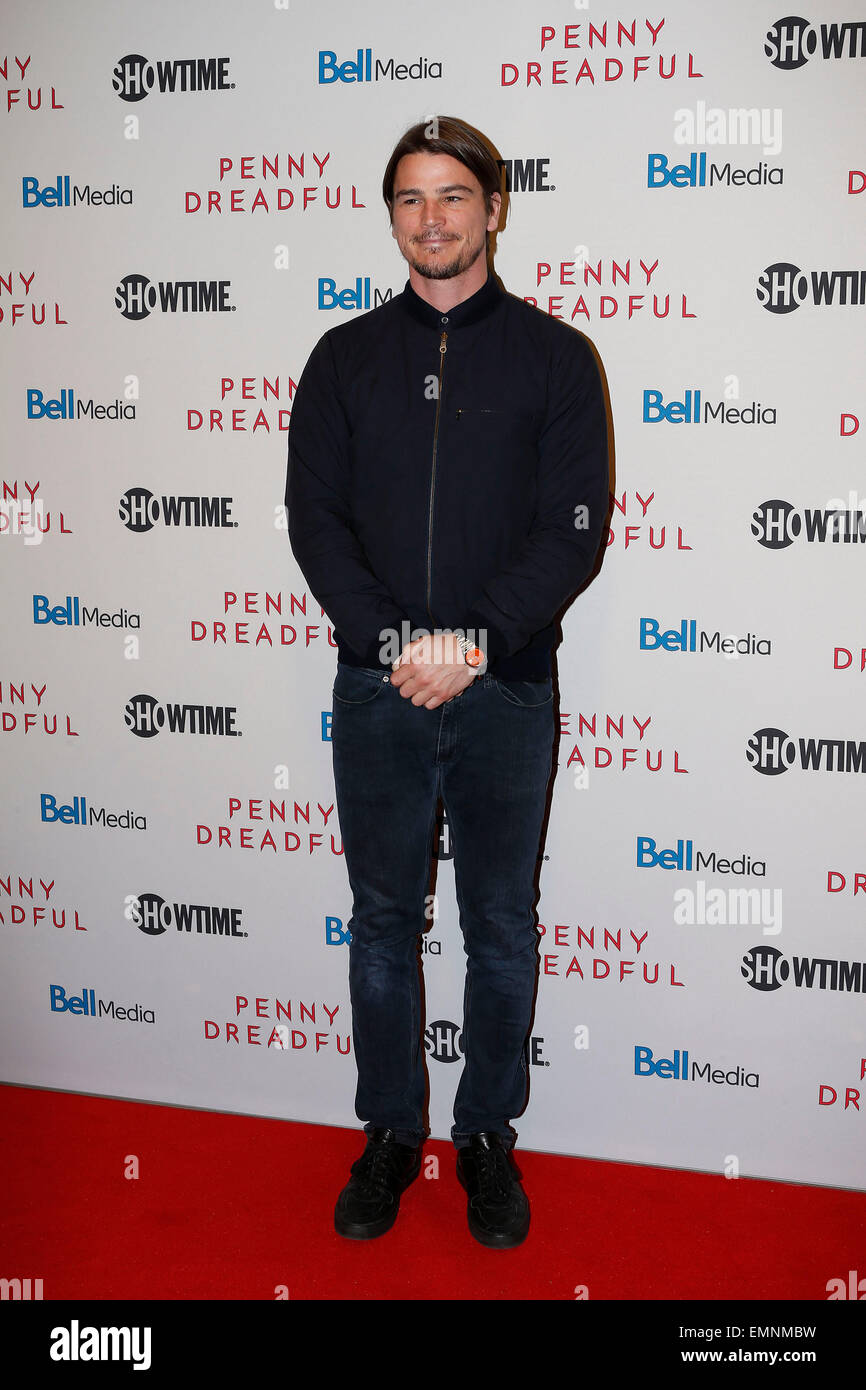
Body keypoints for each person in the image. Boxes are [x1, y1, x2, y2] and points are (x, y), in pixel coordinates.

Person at [285, 116, 609, 1249]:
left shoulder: (556, 357)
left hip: (508, 688)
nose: (432, 218)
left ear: (492, 209)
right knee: (381, 924)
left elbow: (573, 532)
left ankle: (482, 1139)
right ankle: (387, 1131)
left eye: (452, 196)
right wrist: (392, 646)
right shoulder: (339, 359)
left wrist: (468, 643)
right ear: (392, 217)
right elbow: (314, 524)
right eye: (411, 199)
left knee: (500, 928)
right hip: (376, 691)